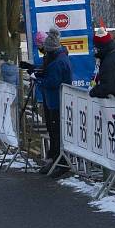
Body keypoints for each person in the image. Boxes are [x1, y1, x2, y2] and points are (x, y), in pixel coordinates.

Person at [34, 28, 72, 175]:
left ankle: (60, 162)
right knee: (54, 132)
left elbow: (52, 81)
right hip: (54, 101)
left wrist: (38, 80)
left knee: (57, 133)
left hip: (56, 102)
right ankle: (54, 158)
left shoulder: (57, 62)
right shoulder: (58, 58)